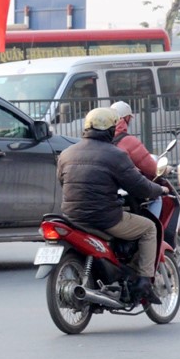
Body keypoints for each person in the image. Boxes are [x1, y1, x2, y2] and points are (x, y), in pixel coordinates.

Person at [57, 107, 168, 304]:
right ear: (110, 130)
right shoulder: (115, 155)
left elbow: (62, 182)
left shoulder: (67, 153)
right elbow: (140, 187)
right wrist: (159, 190)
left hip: (71, 217)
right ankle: (143, 282)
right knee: (149, 228)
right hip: (104, 218)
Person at [109, 100, 162, 217]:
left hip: (107, 191)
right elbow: (151, 167)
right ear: (126, 118)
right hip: (126, 187)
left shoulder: (102, 139)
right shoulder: (128, 140)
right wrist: (164, 169)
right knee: (156, 198)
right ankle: (155, 229)